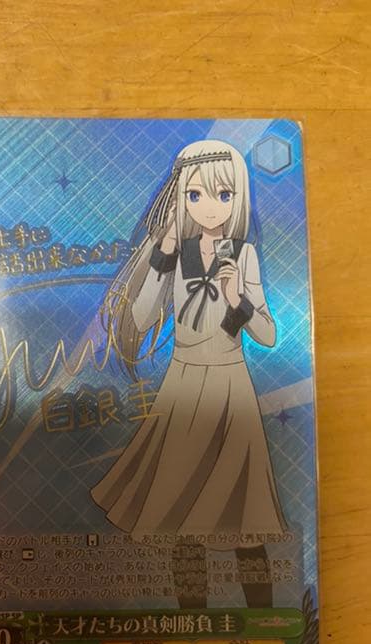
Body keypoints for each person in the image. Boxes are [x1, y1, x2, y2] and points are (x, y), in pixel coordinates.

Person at [91, 139, 288, 608]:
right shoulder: (176, 255)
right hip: (184, 384)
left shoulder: (244, 255)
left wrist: (239, 299)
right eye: (196, 195)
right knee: (182, 515)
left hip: (230, 387)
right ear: (181, 197)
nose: (209, 206)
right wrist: (161, 257)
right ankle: (192, 621)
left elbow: (268, 334)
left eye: (224, 195)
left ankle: (263, 618)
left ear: (238, 198)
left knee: (244, 514)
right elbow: (140, 319)